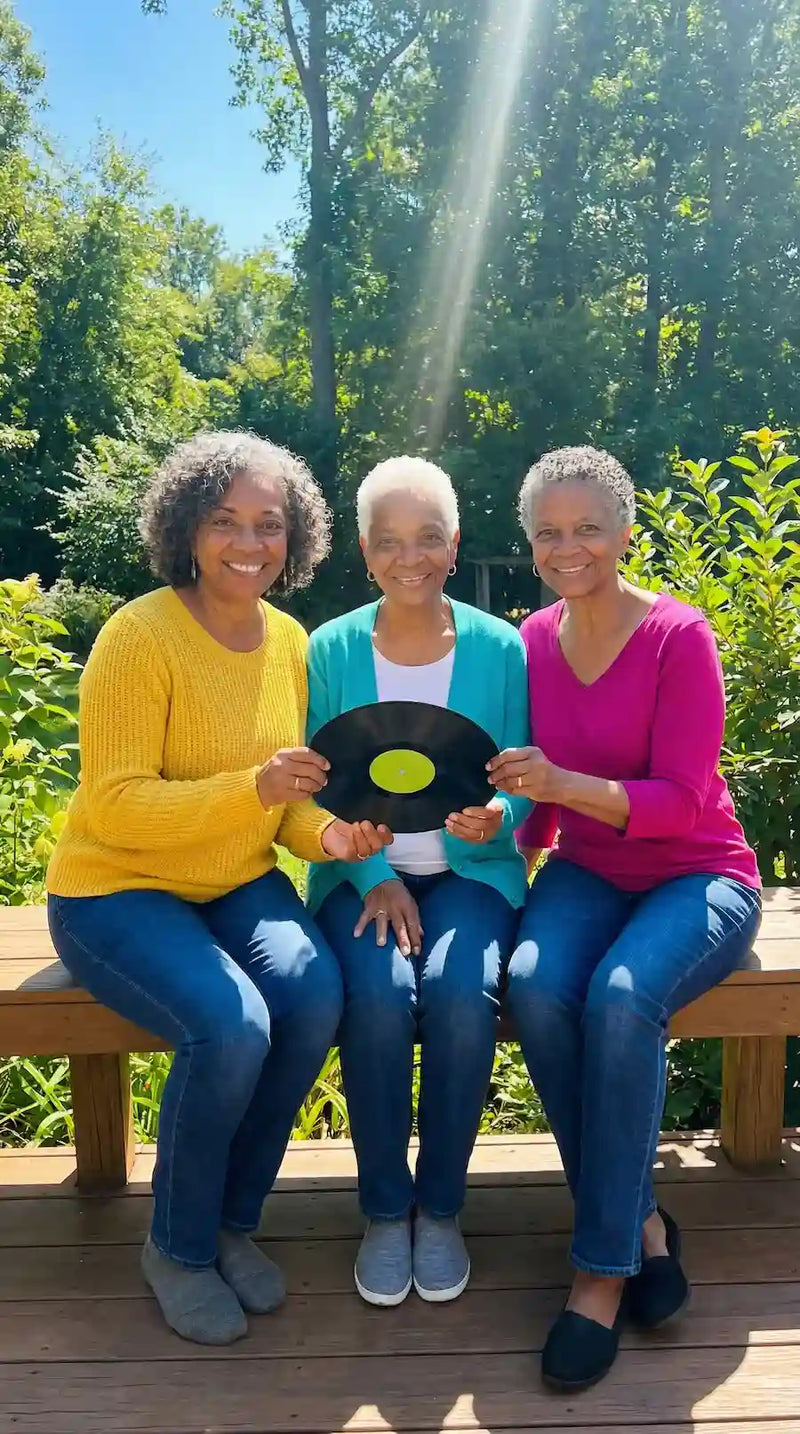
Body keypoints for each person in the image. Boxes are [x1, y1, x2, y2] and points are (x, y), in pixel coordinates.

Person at [46, 431, 391, 1346]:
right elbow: (115, 807)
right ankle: (177, 1246)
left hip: (234, 879)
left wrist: (331, 834)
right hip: (115, 889)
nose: (249, 542)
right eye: (225, 520)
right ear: (187, 529)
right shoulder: (138, 637)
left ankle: (230, 1221)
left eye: (270, 524)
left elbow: (288, 800)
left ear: (296, 537)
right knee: (231, 1023)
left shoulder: (289, 642)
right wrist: (253, 789)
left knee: (312, 994)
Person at [487, 445, 762, 1392]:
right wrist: (509, 839)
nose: (568, 548)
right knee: (533, 985)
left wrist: (560, 785)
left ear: (625, 532)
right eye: (549, 533)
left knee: (620, 995)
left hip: (698, 873)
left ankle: (600, 1274)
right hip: (588, 869)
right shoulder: (531, 640)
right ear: (531, 543)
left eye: (588, 528)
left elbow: (683, 802)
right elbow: (537, 802)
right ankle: (641, 1219)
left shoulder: (680, 637)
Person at [305, 456, 531, 1308]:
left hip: (474, 879)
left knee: (461, 994)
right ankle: (382, 1208)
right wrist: (372, 874)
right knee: (375, 996)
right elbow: (316, 783)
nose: (411, 558)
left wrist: (498, 817)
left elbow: (519, 773)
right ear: (365, 551)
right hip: (360, 880)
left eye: (428, 537)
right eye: (390, 541)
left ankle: (439, 1208)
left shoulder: (500, 646)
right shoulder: (329, 648)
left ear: (455, 542)